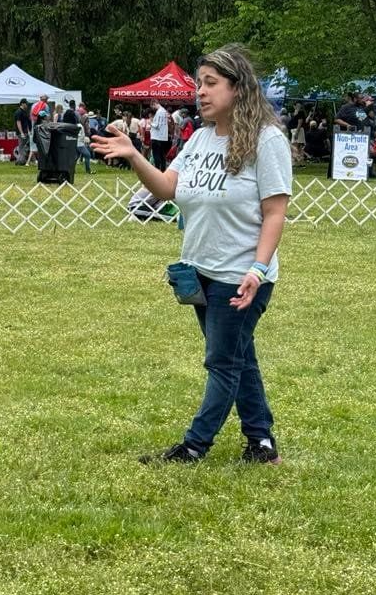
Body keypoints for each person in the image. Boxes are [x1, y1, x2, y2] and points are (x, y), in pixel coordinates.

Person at [92, 44, 292, 465]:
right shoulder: (200, 138)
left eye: (211, 83)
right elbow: (167, 188)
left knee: (222, 362)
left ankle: (194, 445)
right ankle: (263, 442)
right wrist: (133, 155)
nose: (200, 92)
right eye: (199, 83)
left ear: (238, 88)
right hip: (199, 272)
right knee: (239, 358)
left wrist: (257, 269)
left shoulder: (266, 140)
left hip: (240, 277)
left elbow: (275, 212)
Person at [149, 97, 169, 170]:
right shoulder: (164, 111)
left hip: (156, 137)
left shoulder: (159, 112)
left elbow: (157, 125)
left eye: (152, 106)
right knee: (162, 155)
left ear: (154, 104)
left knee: (156, 154)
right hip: (163, 137)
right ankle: (163, 169)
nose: (153, 108)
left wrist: (150, 123)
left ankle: (157, 169)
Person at [14, 98, 32, 165]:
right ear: (22, 104)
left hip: (25, 132)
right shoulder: (19, 112)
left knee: (24, 147)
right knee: (21, 147)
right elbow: (18, 122)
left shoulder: (24, 111)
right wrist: (21, 133)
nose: (27, 105)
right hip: (22, 132)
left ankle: (21, 160)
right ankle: (20, 161)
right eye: (26, 104)